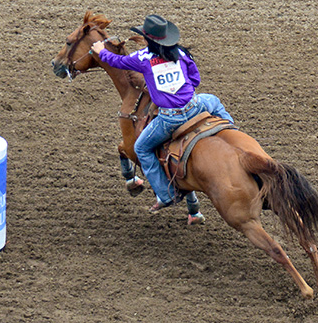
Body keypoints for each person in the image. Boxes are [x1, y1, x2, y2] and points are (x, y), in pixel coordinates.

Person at [92, 14, 234, 212]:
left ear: (147, 39)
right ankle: (231, 129)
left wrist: (100, 51)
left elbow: (117, 61)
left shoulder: (143, 59)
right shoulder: (182, 54)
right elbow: (195, 79)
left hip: (169, 119)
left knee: (141, 148)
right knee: (215, 102)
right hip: (195, 105)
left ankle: (166, 195)